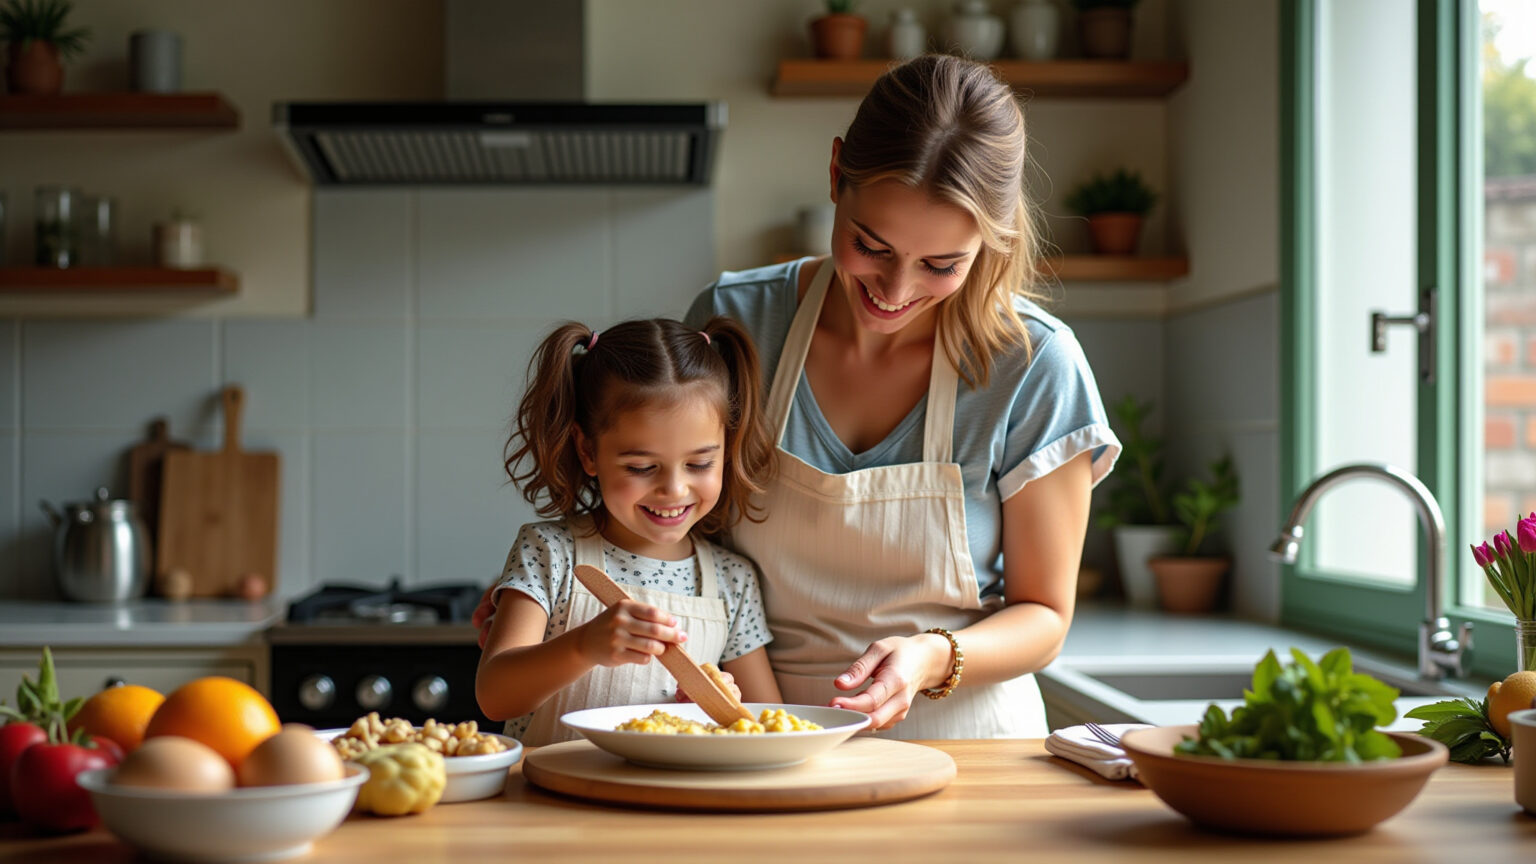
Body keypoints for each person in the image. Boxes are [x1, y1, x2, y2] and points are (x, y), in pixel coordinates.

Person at [678, 53, 1121, 739]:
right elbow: (671, 528)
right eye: (871, 245)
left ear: (989, 241)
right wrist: (556, 586)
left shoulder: (1034, 362)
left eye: (941, 265)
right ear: (835, 176)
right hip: (763, 742)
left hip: (968, 751)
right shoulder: (736, 322)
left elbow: (1045, 617)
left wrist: (932, 655)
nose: (895, 289)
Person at [475, 317, 782, 745]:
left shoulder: (733, 581)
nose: (674, 489)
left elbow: (769, 723)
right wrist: (584, 646)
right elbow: (495, 696)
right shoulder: (550, 552)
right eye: (641, 467)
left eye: (699, 464)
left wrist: (721, 710)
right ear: (588, 452)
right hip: (552, 805)